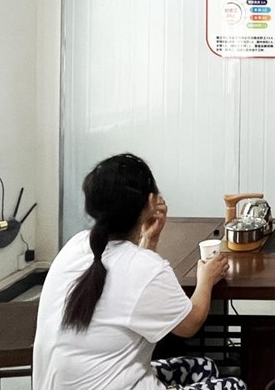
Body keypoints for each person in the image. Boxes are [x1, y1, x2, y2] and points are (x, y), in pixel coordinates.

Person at [33, 153, 246, 390]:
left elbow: (130, 281)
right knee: (234, 385)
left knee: (204, 367)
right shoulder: (146, 269)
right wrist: (206, 279)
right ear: (151, 200)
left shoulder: (75, 245)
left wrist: (149, 240)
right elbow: (190, 324)